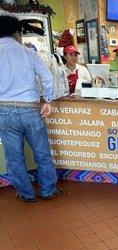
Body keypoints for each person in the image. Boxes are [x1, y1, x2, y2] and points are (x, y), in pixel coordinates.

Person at [0, 15, 62, 202]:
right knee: (42, 154)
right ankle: (48, 191)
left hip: (4, 111)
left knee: (14, 158)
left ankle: (26, 194)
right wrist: (48, 101)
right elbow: (47, 78)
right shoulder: (28, 53)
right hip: (29, 109)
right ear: (17, 33)